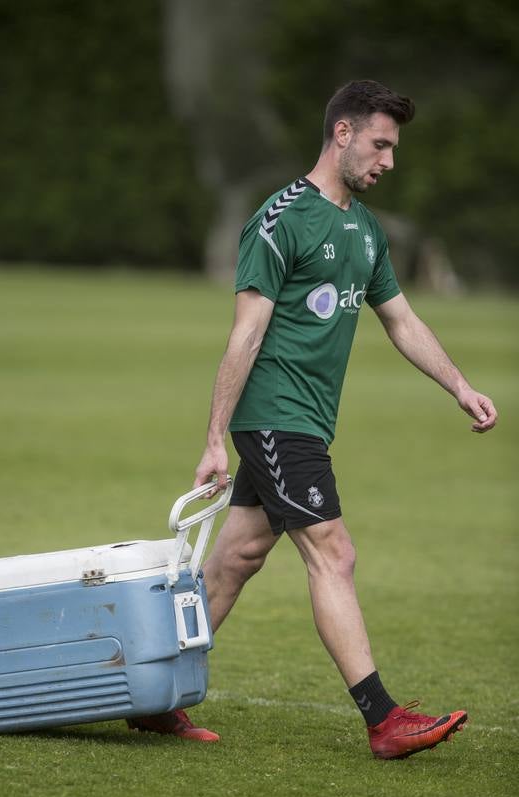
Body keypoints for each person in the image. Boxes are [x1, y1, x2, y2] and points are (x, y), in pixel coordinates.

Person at [128, 80, 497, 758]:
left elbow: (402, 320)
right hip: (276, 417)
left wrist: (459, 386)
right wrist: (215, 437)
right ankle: (384, 719)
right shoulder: (281, 219)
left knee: (235, 560)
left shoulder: (363, 228)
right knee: (334, 552)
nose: (388, 161)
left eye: (394, 149)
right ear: (343, 134)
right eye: (381, 145)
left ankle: (153, 697)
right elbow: (244, 334)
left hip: (303, 422)